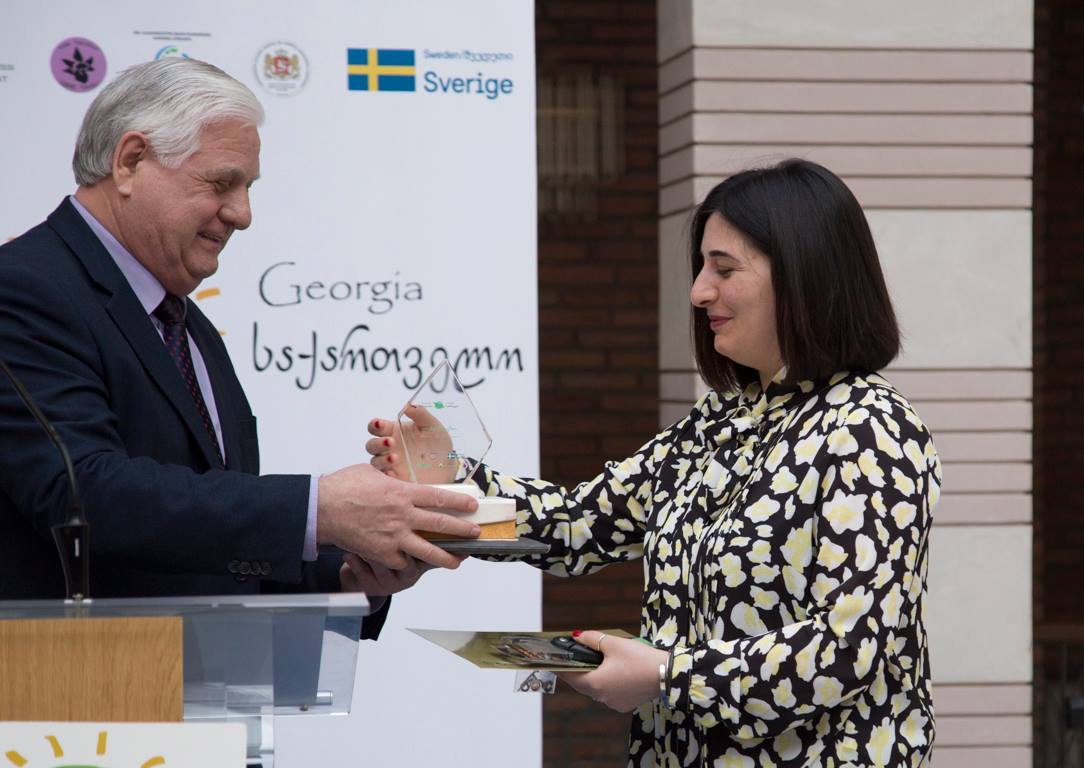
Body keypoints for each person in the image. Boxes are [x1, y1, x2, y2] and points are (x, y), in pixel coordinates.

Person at [368, 159, 940, 765]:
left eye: (724, 269)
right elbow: (576, 527)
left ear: (805, 275)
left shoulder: (873, 429)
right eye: (702, 268)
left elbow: (847, 649)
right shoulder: (720, 421)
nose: (699, 292)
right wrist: (451, 482)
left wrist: (669, 674)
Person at [0, 58, 479, 620]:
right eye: (221, 182)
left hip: (196, 673)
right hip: (69, 671)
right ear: (130, 161)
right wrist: (318, 510)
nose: (243, 214)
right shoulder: (24, 288)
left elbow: (215, 547)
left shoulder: (186, 324)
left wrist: (351, 577)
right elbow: (83, 495)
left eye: (247, 187)